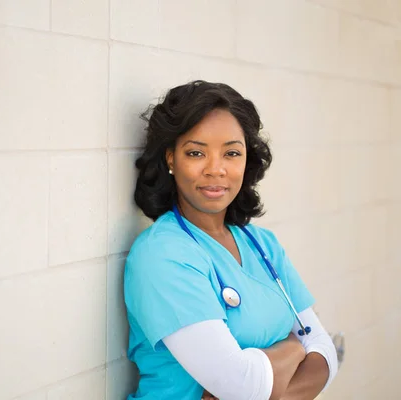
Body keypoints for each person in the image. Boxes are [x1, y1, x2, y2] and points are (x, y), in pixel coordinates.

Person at [124, 80, 338, 400]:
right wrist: (296, 349)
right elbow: (241, 385)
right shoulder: (162, 254)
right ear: (171, 159)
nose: (216, 169)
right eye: (196, 152)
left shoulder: (262, 244)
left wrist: (272, 376)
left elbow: (326, 354)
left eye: (231, 153)